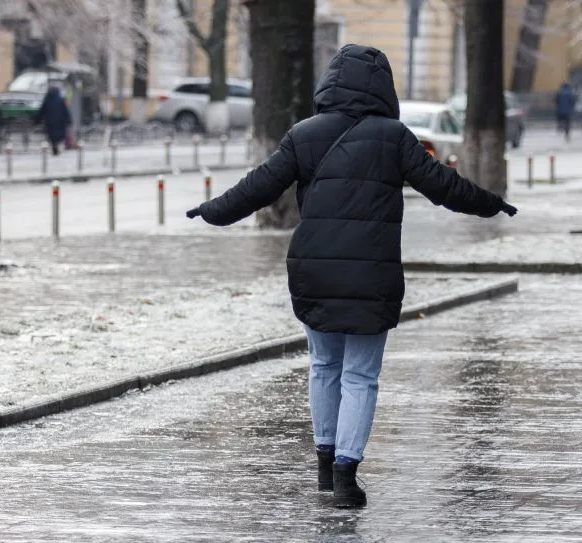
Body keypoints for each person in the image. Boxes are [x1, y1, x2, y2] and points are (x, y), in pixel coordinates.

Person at [185, 44, 517, 509]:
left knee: (323, 365)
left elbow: (258, 186)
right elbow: (443, 186)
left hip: (313, 271)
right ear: (383, 86)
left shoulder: (304, 135)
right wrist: (491, 203)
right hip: (371, 277)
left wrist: (211, 212)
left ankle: (324, 467)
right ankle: (345, 476)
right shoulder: (394, 137)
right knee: (360, 374)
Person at [37, 86, 72, 156]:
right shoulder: (61, 100)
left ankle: (54, 146)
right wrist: (69, 121)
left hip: (50, 122)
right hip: (60, 122)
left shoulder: (47, 100)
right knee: (58, 136)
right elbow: (66, 112)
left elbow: (41, 111)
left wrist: (37, 120)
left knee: (52, 136)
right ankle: (56, 146)